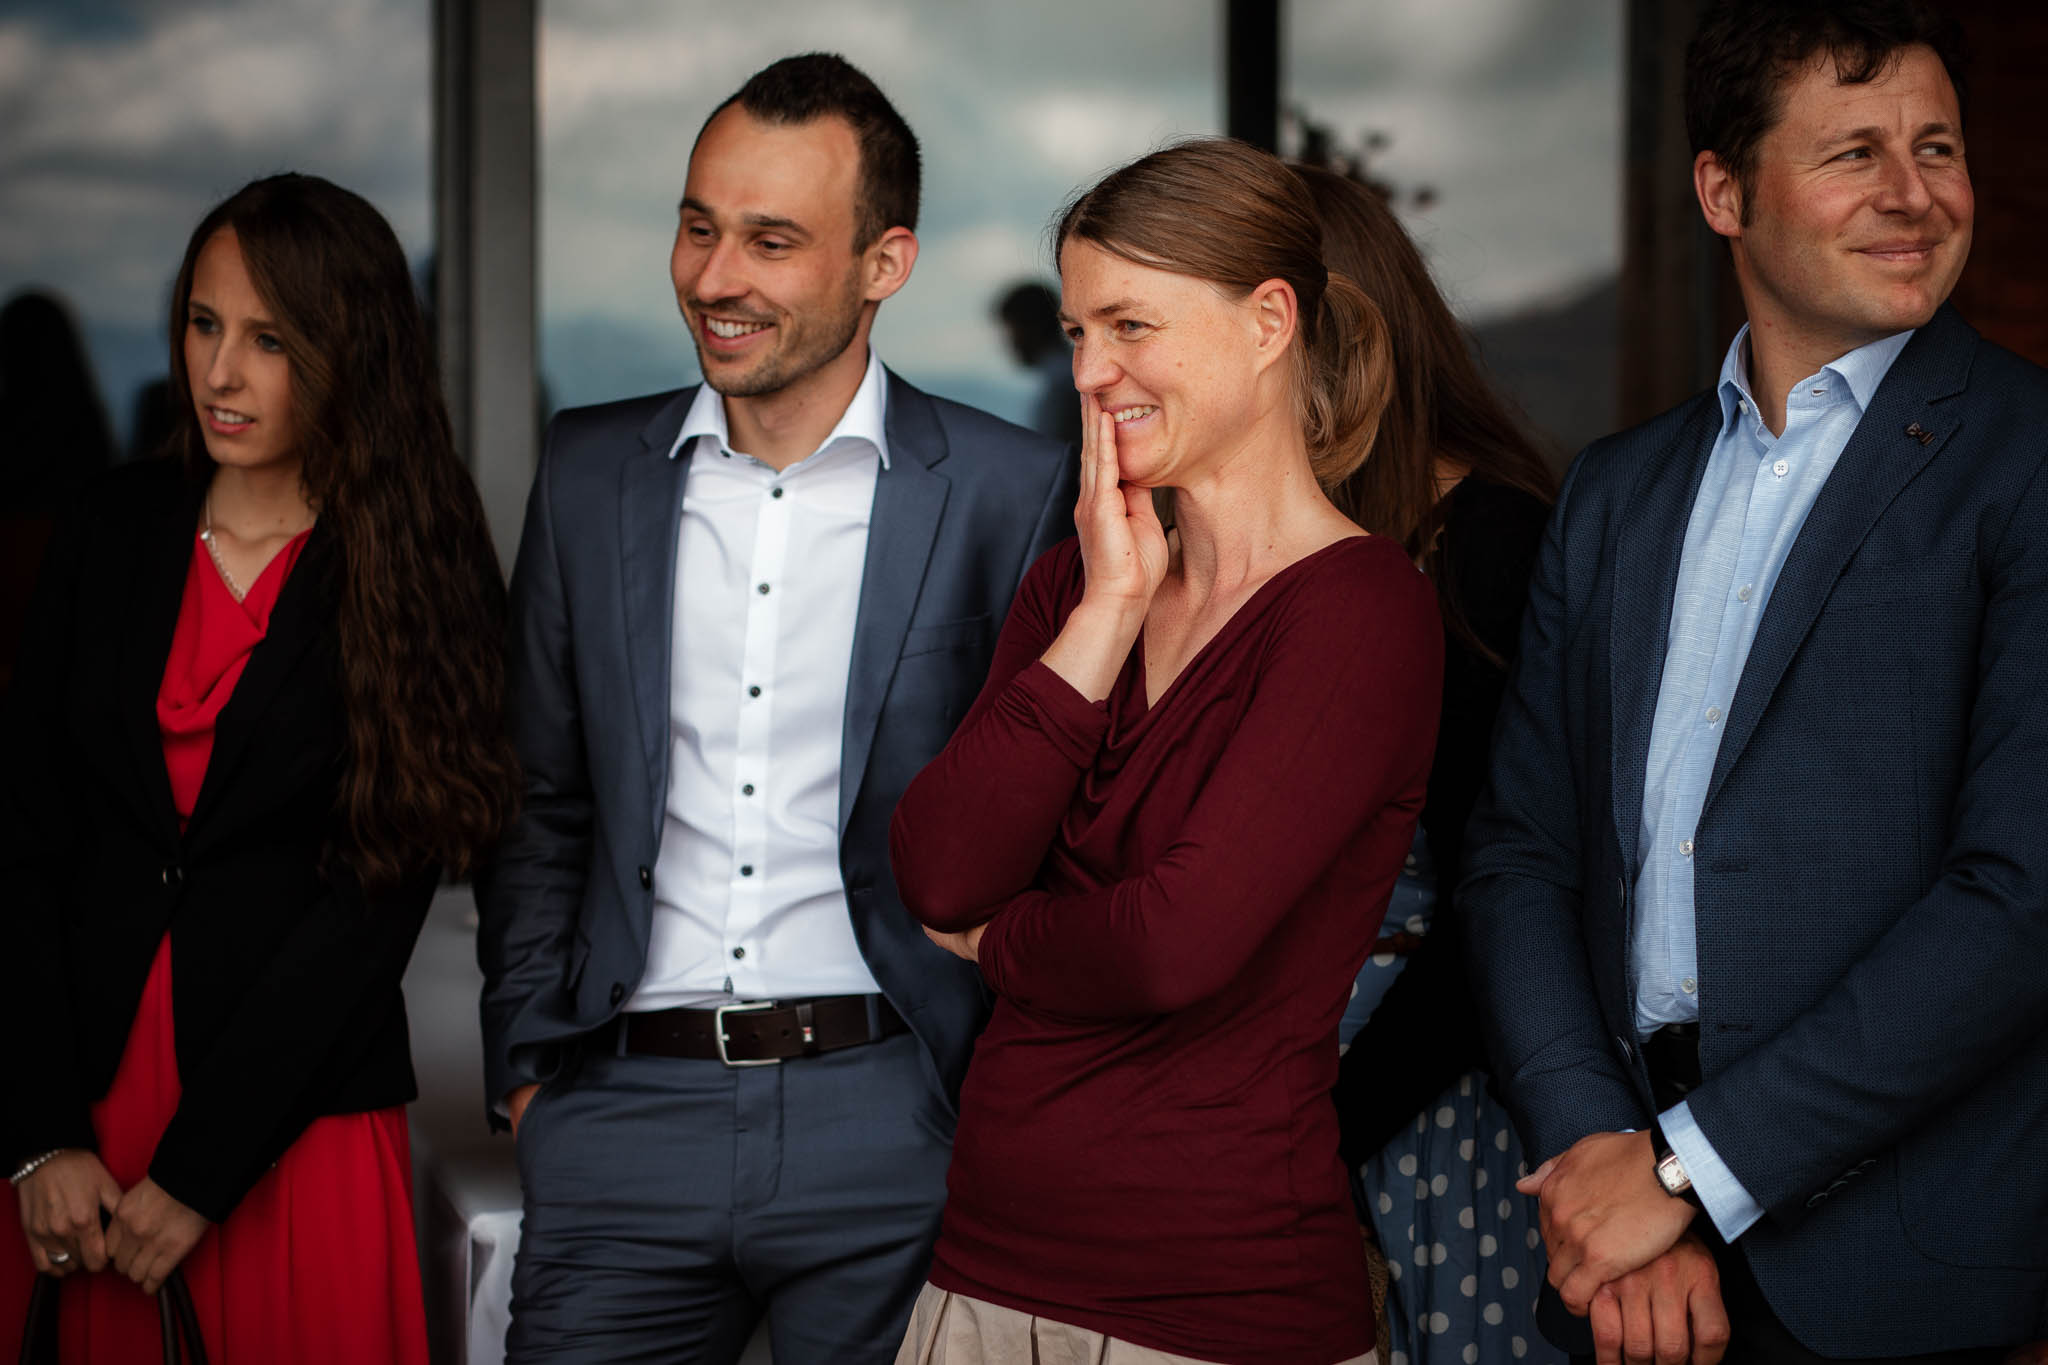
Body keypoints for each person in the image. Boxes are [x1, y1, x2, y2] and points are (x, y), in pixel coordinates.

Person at [1461, 2, 2048, 1361]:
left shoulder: (2023, 459)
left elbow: (2019, 899)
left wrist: (1684, 1171)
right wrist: (1600, 1152)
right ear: (1722, 192)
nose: (1915, 196)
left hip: (1904, 1268)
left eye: (1939, 147)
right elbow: (1520, 858)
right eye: (1854, 154)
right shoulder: (1616, 490)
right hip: (1620, 1244)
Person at [476, 53, 1074, 1364]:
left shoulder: (1009, 491)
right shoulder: (589, 474)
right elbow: (540, 801)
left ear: (886, 262)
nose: (714, 276)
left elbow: (1052, 824)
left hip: (896, 1114)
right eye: (698, 226)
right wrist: (534, 1073)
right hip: (620, 1113)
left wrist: (977, 1100)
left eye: (771, 239)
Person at [890, 137, 1442, 1365]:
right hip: (980, 1268)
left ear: (1265, 322)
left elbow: (1168, 944)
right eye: (1079, 332)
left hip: (1208, 1303)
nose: (1089, 372)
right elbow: (934, 871)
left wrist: (1000, 942)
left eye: (1128, 325)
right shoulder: (1078, 586)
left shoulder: (1360, 613)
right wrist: (1105, 615)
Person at [0, 172, 517, 1361]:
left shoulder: (416, 566)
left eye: (270, 339)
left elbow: (371, 906)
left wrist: (197, 1173)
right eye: (203, 324)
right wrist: (36, 1136)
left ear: (352, 352)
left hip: (292, 1132)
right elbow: (21, 839)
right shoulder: (110, 528)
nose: (220, 373)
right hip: (77, 1134)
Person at [1298, 164, 1563, 1365]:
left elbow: (1498, 898)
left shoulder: (1486, 539)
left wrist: (1318, 1128)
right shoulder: (1216, 542)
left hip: (1412, 1101)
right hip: (1244, 1101)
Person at [993, 280, 1083, 445]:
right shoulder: (1072, 372)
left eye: (1011, 331)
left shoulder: (1063, 384)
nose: (1008, 343)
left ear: (1030, 328)